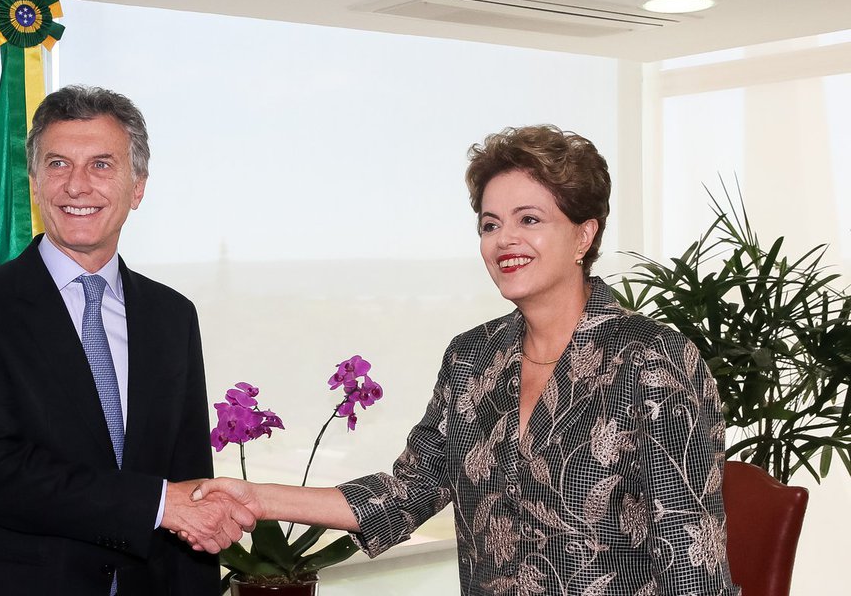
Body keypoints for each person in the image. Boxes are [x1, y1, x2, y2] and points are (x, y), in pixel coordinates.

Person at [193, 125, 739, 595]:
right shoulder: (472, 359)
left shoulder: (654, 360)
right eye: (490, 223)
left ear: (584, 233)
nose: (505, 240)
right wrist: (255, 497)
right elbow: (407, 494)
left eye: (529, 219)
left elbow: (693, 555)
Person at [0, 85, 254, 595]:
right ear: (35, 184)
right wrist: (156, 504)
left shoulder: (173, 316)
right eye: (58, 164)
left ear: (138, 186)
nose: (77, 186)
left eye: (102, 165)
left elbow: (190, 481)